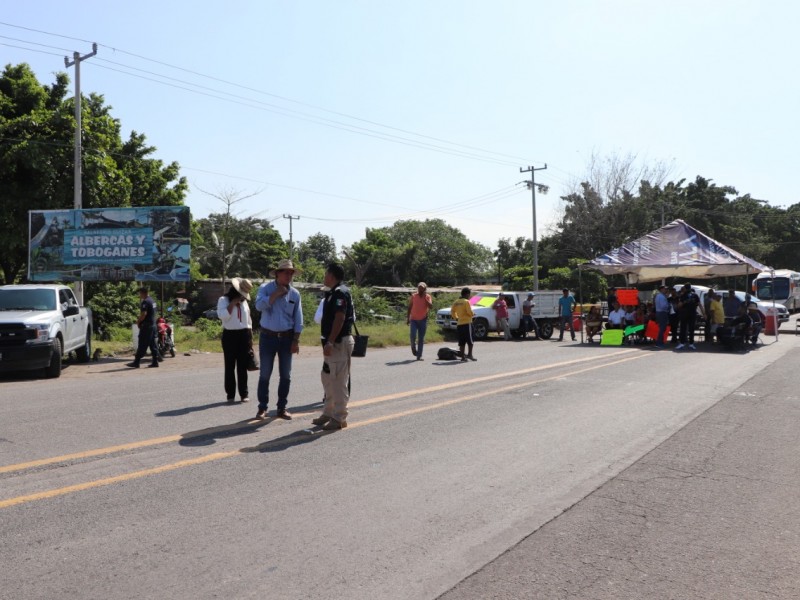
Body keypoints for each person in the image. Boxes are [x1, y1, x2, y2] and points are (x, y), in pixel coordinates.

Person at [254, 259, 303, 420]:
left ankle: (282, 408)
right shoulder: (265, 289)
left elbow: (298, 319)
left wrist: (296, 340)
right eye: (286, 272)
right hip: (268, 337)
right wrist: (275, 295)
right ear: (277, 274)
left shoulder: (295, 294)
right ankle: (262, 408)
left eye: (291, 273)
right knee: (265, 374)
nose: (289, 275)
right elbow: (259, 306)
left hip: (287, 338)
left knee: (286, 375)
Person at [312, 263, 355, 431]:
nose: (324, 276)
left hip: (338, 343)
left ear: (332, 275)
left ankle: (339, 417)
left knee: (338, 381)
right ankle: (328, 413)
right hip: (331, 343)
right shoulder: (331, 293)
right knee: (327, 378)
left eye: (326, 273)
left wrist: (330, 341)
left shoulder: (340, 293)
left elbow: (340, 318)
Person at [217, 277, 253, 404]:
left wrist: (250, 338)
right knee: (230, 366)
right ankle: (230, 394)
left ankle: (244, 394)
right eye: (241, 295)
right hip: (230, 335)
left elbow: (248, 320)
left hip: (244, 335)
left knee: (242, 366)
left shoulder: (245, 303)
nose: (243, 297)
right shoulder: (223, 300)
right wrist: (232, 304)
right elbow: (223, 317)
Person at [127, 286, 159, 368]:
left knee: (142, 343)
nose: (139, 295)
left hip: (147, 326)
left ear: (143, 293)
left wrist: (138, 322)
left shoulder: (145, 302)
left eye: (140, 293)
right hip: (153, 325)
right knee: (152, 344)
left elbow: (144, 314)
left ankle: (136, 362)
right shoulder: (152, 301)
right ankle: (155, 361)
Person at [406, 282, 433, 360]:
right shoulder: (414, 296)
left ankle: (419, 355)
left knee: (421, 338)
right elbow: (409, 307)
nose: (420, 289)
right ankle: (413, 347)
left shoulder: (428, 296)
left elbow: (431, 306)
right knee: (413, 335)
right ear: (417, 288)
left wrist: (425, 298)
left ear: (425, 289)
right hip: (413, 319)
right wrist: (408, 318)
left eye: (422, 288)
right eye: (419, 288)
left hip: (423, 320)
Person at [450, 287, 476, 361]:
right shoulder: (466, 301)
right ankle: (470, 355)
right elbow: (469, 312)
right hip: (467, 323)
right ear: (467, 294)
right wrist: (473, 314)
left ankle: (463, 357)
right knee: (470, 340)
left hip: (460, 324)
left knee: (462, 341)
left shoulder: (456, 302)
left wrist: (456, 318)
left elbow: (452, 311)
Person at [676, 283, 700, 350]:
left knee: (683, 329)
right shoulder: (695, 295)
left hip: (684, 314)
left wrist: (684, 302)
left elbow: (679, 305)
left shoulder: (683, 295)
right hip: (692, 314)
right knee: (691, 329)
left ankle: (682, 343)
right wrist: (704, 314)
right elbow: (699, 305)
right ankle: (691, 344)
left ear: (685, 288)